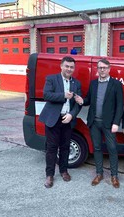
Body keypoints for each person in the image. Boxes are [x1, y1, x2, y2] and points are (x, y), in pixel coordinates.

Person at [75, 59, 123, 188]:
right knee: (96, 148)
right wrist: (81, 101)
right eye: (100, 67)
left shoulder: (116, 84)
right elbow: (88, 100)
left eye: (104, 67)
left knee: (112, 149)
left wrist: (116, 123)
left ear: (109, 68)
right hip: (94, 122)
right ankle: (99, 173)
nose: (102, 70)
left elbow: (120, 106)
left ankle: (114, 175)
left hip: (109, 124)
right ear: (97, 69)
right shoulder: (93, 84)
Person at [39, 56, 82, 188]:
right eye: (67, 66)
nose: (69, 69)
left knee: (65, 147)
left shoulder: (76, 83)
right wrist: (63, 95)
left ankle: (64, 171)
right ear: (61, 66)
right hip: (53, 118)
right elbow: (46, 95)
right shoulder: (52, 79)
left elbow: (78, 103)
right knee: (51, 148)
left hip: (67, 119)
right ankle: (49, 175)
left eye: (72, 67)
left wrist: (71, 115)